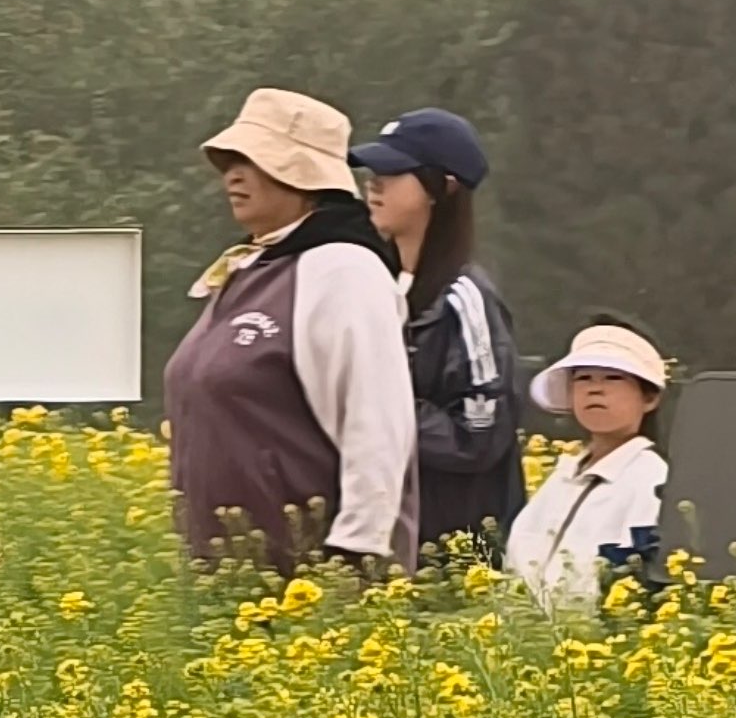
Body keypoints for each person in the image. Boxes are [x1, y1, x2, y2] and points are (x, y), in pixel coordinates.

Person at [159, 85, 412, 574]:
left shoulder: (344, 270)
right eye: (229, 161)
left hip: (306, 581)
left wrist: (355, 554)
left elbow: (376, 420)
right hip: (230, 577)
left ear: (305, 175)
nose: (233, 175)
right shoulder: (253, 269)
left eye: (253, 161)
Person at [356, 107, 521, 551]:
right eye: (373, 170)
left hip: (449, 559)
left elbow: (478, 435)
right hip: (381, 549)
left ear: (442, 188)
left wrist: (374, 407)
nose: (374, 182)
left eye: (394, 171)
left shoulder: (465, 300)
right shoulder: (376, 289)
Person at [506, 321, 676, 612]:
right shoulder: (562, 477)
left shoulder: (652, 481)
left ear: (649, 398)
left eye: (612, 378)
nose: (595, 390)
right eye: (583, 378)